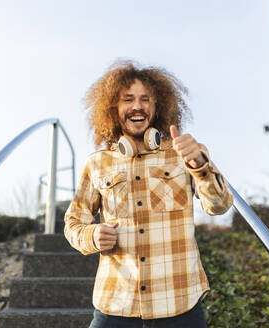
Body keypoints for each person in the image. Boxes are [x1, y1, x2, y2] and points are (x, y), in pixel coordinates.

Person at [64, 60, 233, 328]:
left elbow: (220, 205)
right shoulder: (96, 163)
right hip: (115, 305)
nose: (138, 106)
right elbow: (73, 223)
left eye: (146, 99)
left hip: (180, 306)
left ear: (157, 108)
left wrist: (200, 166)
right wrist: (92, 235)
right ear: (113, 108)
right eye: (127, 99)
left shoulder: (186, 153)